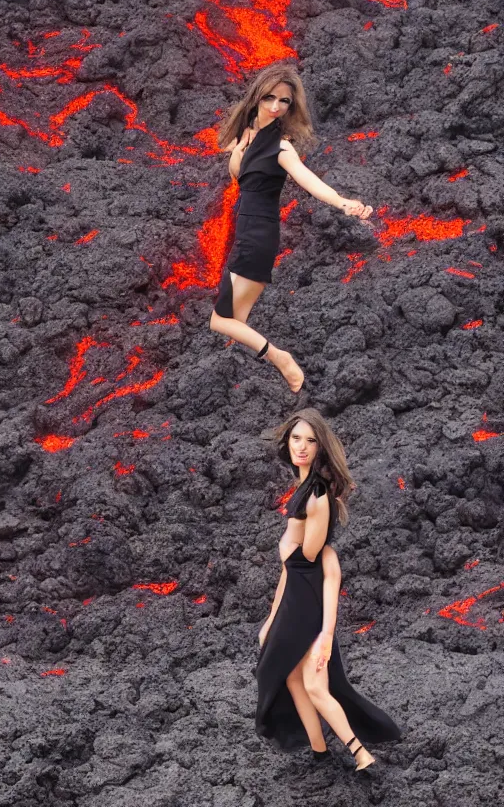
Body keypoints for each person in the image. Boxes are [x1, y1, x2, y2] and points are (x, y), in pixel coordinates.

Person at [209, 63, 373, 392]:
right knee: (235, 322)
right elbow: (235, 168)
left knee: (220, 320)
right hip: (246, 231)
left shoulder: (281, 148)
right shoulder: (244, 137)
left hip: (258, 235)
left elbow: (311, 182)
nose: (275, 106)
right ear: (256, 97)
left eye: (283, 101)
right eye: (269, 98)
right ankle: (257, 380)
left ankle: (281, 359)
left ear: (290, 107)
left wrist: (343, 203)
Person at [256, 408, 401, 770]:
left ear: (320, 447)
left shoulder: (315, 495)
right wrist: (271, 618)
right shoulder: (304, 491)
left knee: (312, 682)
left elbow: (310, 560)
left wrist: (325, 632)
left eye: (310, 440)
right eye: (295, 438)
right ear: (287, 441)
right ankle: (321, 751)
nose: (301, 447)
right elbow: (291, 570)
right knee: (291, 676)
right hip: (295, 601)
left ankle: (359, 752)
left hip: (305, 604)